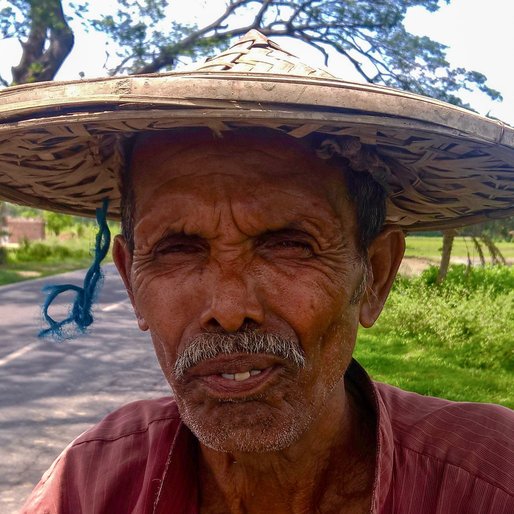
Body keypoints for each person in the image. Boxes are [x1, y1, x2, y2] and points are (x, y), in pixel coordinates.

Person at [0, 31, 512, 513]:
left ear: (374, 276)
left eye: (289, 245)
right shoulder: (90, 484)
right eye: (178, 249)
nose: (228, 310)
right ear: (132, 283)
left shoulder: (490, 480)